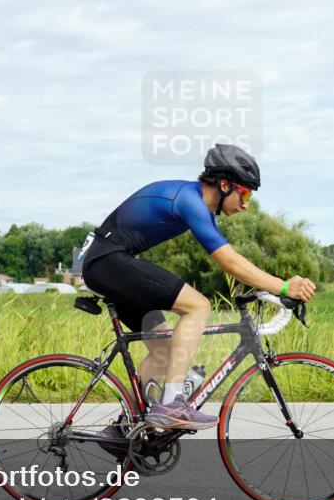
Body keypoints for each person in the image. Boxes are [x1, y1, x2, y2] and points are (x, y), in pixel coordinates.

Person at [81, 144, 316, 430]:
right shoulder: (190, 201)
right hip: (108, 262)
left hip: (107, 263)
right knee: (198, 306)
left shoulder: (194, 203)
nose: (246, 204)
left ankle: (128, 428)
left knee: (163, 351)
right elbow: (229, 262)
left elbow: (235, 260)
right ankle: (170, 405)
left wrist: (268, 286)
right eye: (246, 194)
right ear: (225, 184)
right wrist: (282, 287)